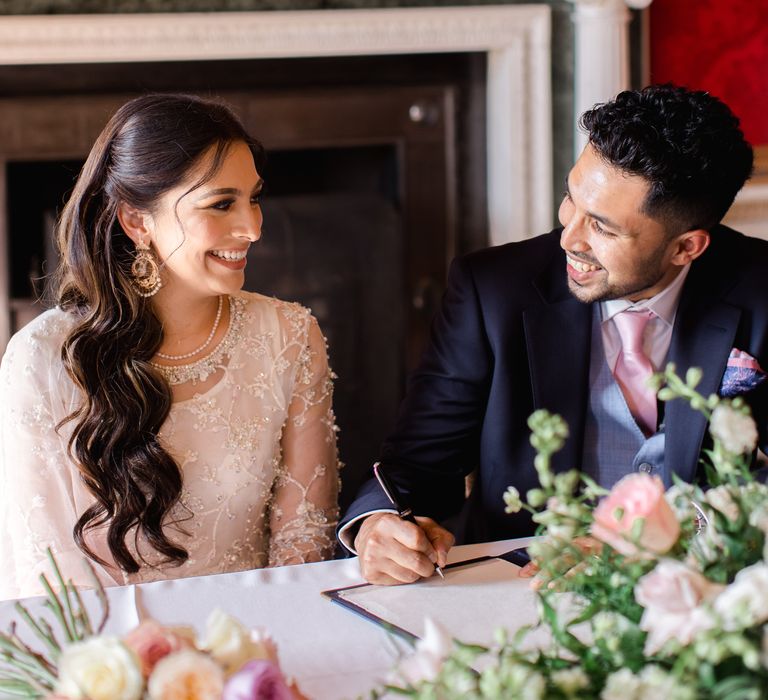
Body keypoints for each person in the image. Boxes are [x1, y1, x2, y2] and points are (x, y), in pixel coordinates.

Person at [340, 84, 768, 585]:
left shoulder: (761, 290)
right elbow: (418, 463)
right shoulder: (493, 290)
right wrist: (375, 526)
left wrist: (676, 539)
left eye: (603, 228)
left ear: (686, 248)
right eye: (571, 198)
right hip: (521, 584)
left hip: (708, 586)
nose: (569, 236)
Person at [0, 94, 341, 601]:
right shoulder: (44, 359)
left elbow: (303, 537)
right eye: (221, 203)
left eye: (254, 197)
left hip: (260, 642)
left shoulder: (290, 335)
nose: (253, 227)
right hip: (109, 664)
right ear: (137, 222)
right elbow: (50, 580)